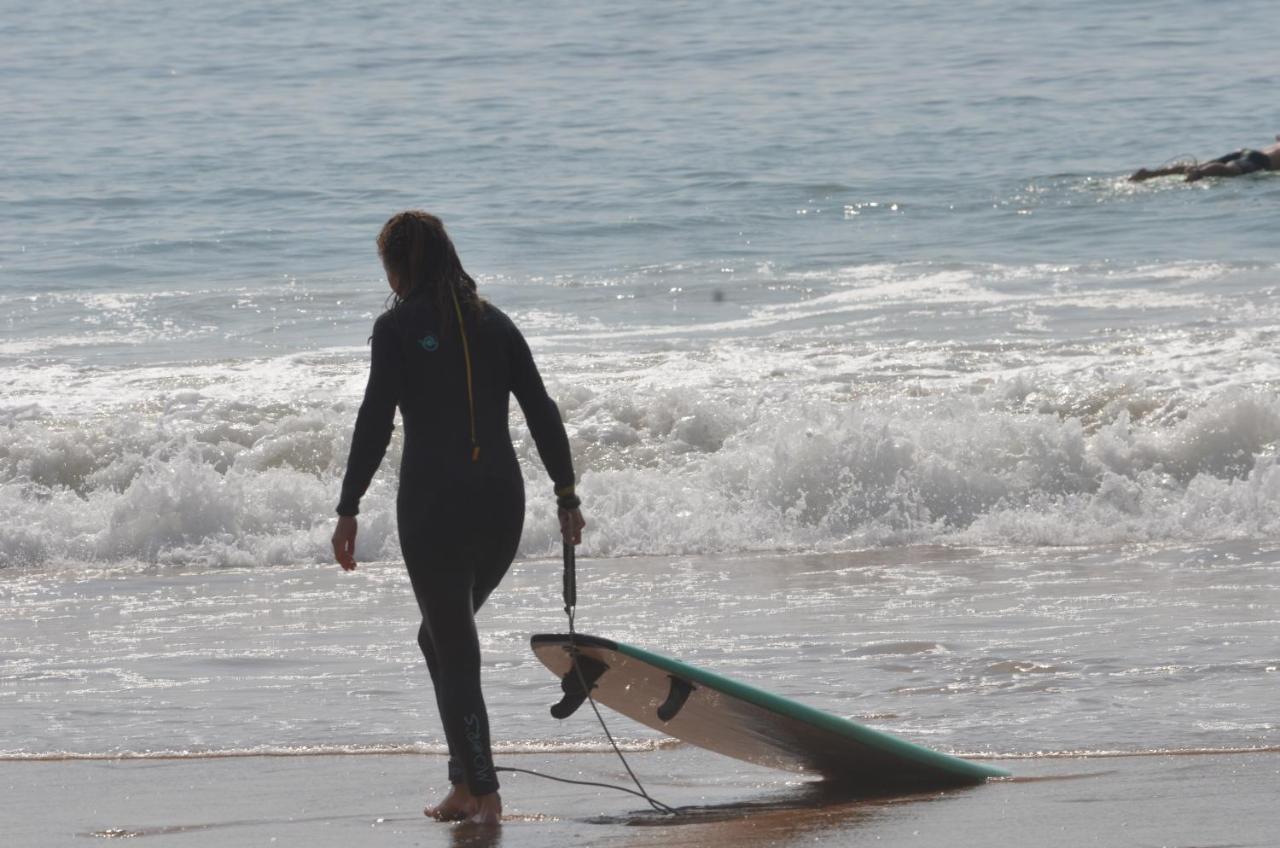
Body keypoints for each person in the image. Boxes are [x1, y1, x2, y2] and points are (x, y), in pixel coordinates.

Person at [331, 211, 586, 826]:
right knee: (439, 639)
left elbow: (374, 421)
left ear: (399, 266)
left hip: (434, 507)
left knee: (454, 646)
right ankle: (463, 781)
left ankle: (485, 795)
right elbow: (541, 410)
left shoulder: (395, 328)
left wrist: (348, 506)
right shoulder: (496, 322)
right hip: (503, 506)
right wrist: (566, 493)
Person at [1129, 136, 1280, 182]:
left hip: (1244, 151)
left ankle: (1150, 174)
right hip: (1261, 160)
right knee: (1230, 171)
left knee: (1200, 164)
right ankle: (1199, 174)